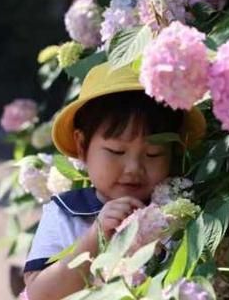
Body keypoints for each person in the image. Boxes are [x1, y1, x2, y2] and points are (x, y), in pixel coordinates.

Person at [22, 62, 206, 300]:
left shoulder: (177, 216)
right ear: (81, 145)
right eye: (116, 151)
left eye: (153, 154)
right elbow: (39, 293)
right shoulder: (65, 213)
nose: (133, 169)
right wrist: (94, 238)